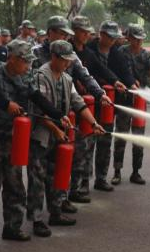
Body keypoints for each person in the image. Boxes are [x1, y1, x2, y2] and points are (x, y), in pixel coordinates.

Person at [0, 40, 67, 249]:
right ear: (13, 59)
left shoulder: (26, 76)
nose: (28, 66)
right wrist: (6, 104)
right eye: (25, 62)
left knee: (15, 184)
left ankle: (12, 227)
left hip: (15, 137)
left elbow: (38, 98)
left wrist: (58, 116)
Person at [27, 40, 105, 237]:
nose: (68, 64)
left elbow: (78, 103)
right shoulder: (41, 76)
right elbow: (40, 110)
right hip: (41, 136)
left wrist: (94, 123)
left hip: (58, 135)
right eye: (64, 60)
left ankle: (55, 212)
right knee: (37, 179)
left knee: (55, 175)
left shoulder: (66, 79)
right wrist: (56, 130)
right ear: (54, 57)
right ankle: (36, 220)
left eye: (69, 60)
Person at [68, 16, 120, 202]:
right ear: (74, 31)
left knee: (93, 143)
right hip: (72, 109)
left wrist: (115, 81)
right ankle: (75, 186)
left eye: (88, 32)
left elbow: (96, 72)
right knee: (78, 148)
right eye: (83, 31)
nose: (86, 35)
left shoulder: (89, 53)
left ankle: (91, 181)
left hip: (91, 105)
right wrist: (76, 85)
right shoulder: (67, 50)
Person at [111, 24, 150, 185]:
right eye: (136, 39)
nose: (139, 42)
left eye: (141, 39)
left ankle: (136, 172)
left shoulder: (145, 55)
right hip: (124, 100)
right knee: (121, 136)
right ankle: (117, 171)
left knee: (139, 138)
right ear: (130, 38)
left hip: (140, 102)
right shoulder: (121, 52)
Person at [87, 20, 127, 192]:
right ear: (101, 34)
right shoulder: (89, 49)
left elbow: (125, 72)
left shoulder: (117, 53)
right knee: (87, 144)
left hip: (108, 106)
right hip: (89, 105)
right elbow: (89, 73)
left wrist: (130, 84)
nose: (112, 41)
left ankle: (101, 178)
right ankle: (83, 182)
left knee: (105, 140)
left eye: (114, 38)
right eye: (110, 37)